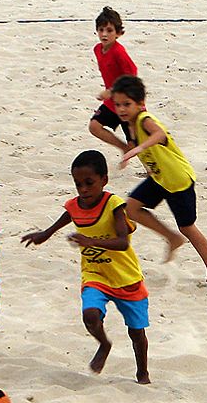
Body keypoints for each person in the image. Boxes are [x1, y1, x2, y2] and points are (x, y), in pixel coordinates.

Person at [21, 150, 150, 384]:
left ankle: (143, 373)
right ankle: (104, 343)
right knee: (90, 315)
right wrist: (45, 234)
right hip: (95, 274)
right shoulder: (75, 205)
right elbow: (67, 217)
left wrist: (91, 241)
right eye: (78, 183)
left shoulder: (114, 205)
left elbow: (122, 242)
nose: (83, 189)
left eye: (89, 183)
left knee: (136, 332)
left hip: (126, 276)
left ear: (104, 180)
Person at [112, 75, 207, 285]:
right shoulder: (129, 125)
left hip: (177, 180)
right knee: (131, 207)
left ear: (140, 104)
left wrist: (139, 148)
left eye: (127, 104)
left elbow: (159, 134)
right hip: (160, 178)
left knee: (187, 227)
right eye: (118, 104)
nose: (121, 109)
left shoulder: (144, 120)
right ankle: (171, 238)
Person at [90, 6, 139, 153]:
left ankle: (151, 169)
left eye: (109, 30)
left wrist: (112, 91)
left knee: (137, 143)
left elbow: (132, 76)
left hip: (127, 102)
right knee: (94, 126)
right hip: (112, 103)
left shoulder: (119, 53)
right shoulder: (97, 49)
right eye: (101, 30)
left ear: (118, 33)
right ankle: (124, 149)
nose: (104, 34)